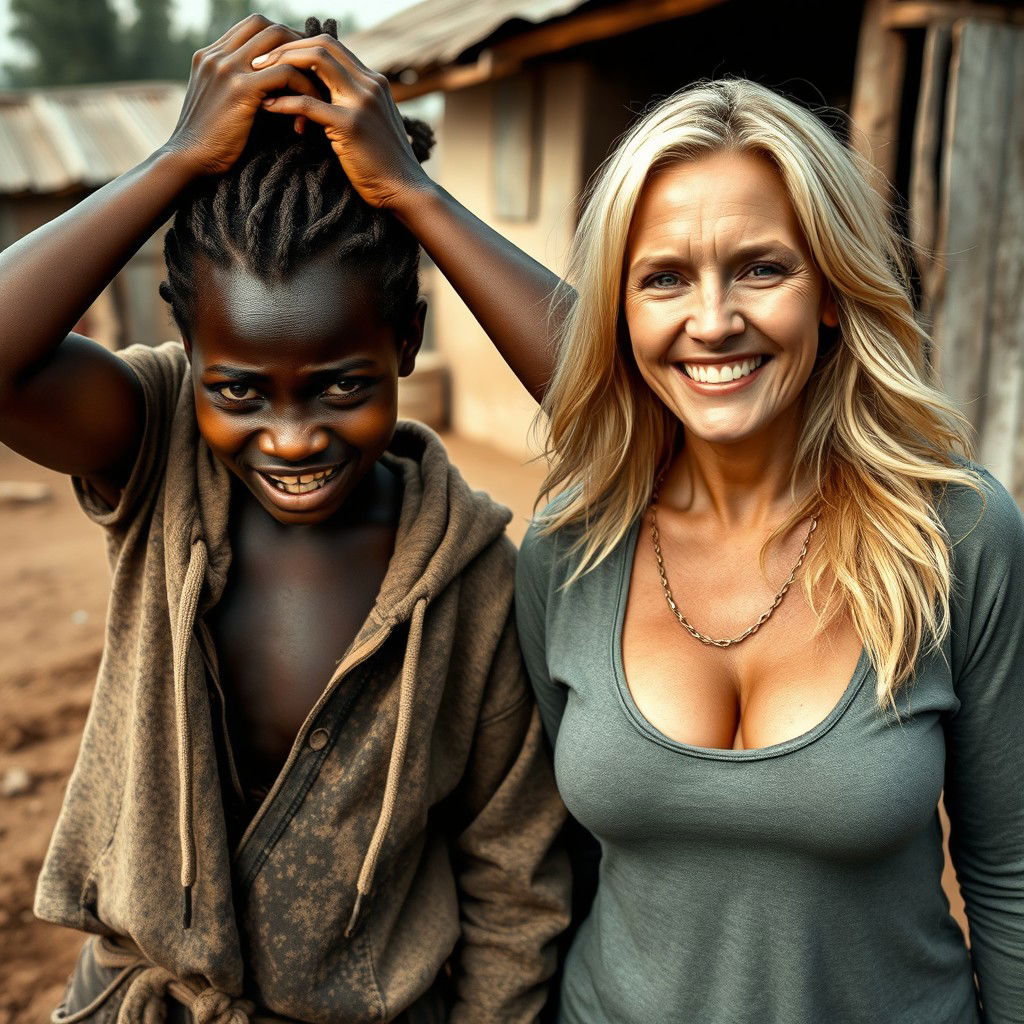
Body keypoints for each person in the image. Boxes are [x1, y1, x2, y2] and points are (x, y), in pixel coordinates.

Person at [248, 30, 1024, 1023]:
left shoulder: (954, 534)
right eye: (663, 278)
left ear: (831, 292)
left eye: (761, 269)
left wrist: (415, 192)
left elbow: (1009, 872)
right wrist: (400, 191)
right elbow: (550, 863)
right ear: (616, 310)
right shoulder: (573, 546)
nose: (713, 319)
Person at [0, 15, 570, 1023]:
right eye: (240, 391)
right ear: (188, 352)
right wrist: (176, 162)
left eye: (342, 384)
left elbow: (513, 878)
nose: (295, 439)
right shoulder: (156, 445)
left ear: (407, 342)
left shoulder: (474, 578)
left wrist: (415, 194)